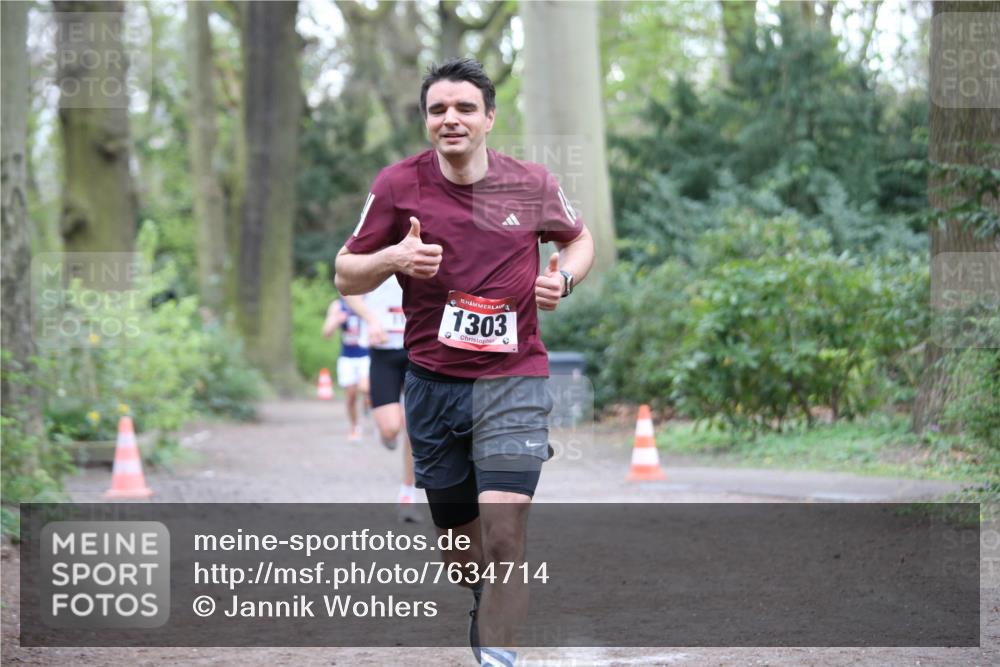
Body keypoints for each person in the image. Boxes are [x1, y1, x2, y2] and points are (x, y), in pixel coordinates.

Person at [334, 58, 595, 667]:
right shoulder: (398, 185)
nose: (450, 119)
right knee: (461, 551)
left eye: (464, 108)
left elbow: (578, 240)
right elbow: (346, 274)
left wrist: (565, 279)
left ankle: (497, 655)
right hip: (432, 385)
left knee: (506, 536)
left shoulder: (530, 183)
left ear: (489, 118)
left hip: (513, 380)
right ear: (426, 121)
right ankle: (485, 597)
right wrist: (394, 257)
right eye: (437, 109)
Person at [343, 279, 421, 522]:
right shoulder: (378, 251)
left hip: (418, 350)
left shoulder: (427, 252)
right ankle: (386, 431)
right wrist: (371, 318)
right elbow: (348, 288)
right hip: (383, 350)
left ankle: (407, 492)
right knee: (391, 429)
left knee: (414, 426)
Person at [321, 297, 370, 441]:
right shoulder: (338, 305)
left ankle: (369, 403)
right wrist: (337, 321)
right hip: (347, 357)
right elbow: (326, 333)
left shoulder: (368, 301)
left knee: (365, 388)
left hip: (367, 354)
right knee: (350, 396)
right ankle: (355, 427)